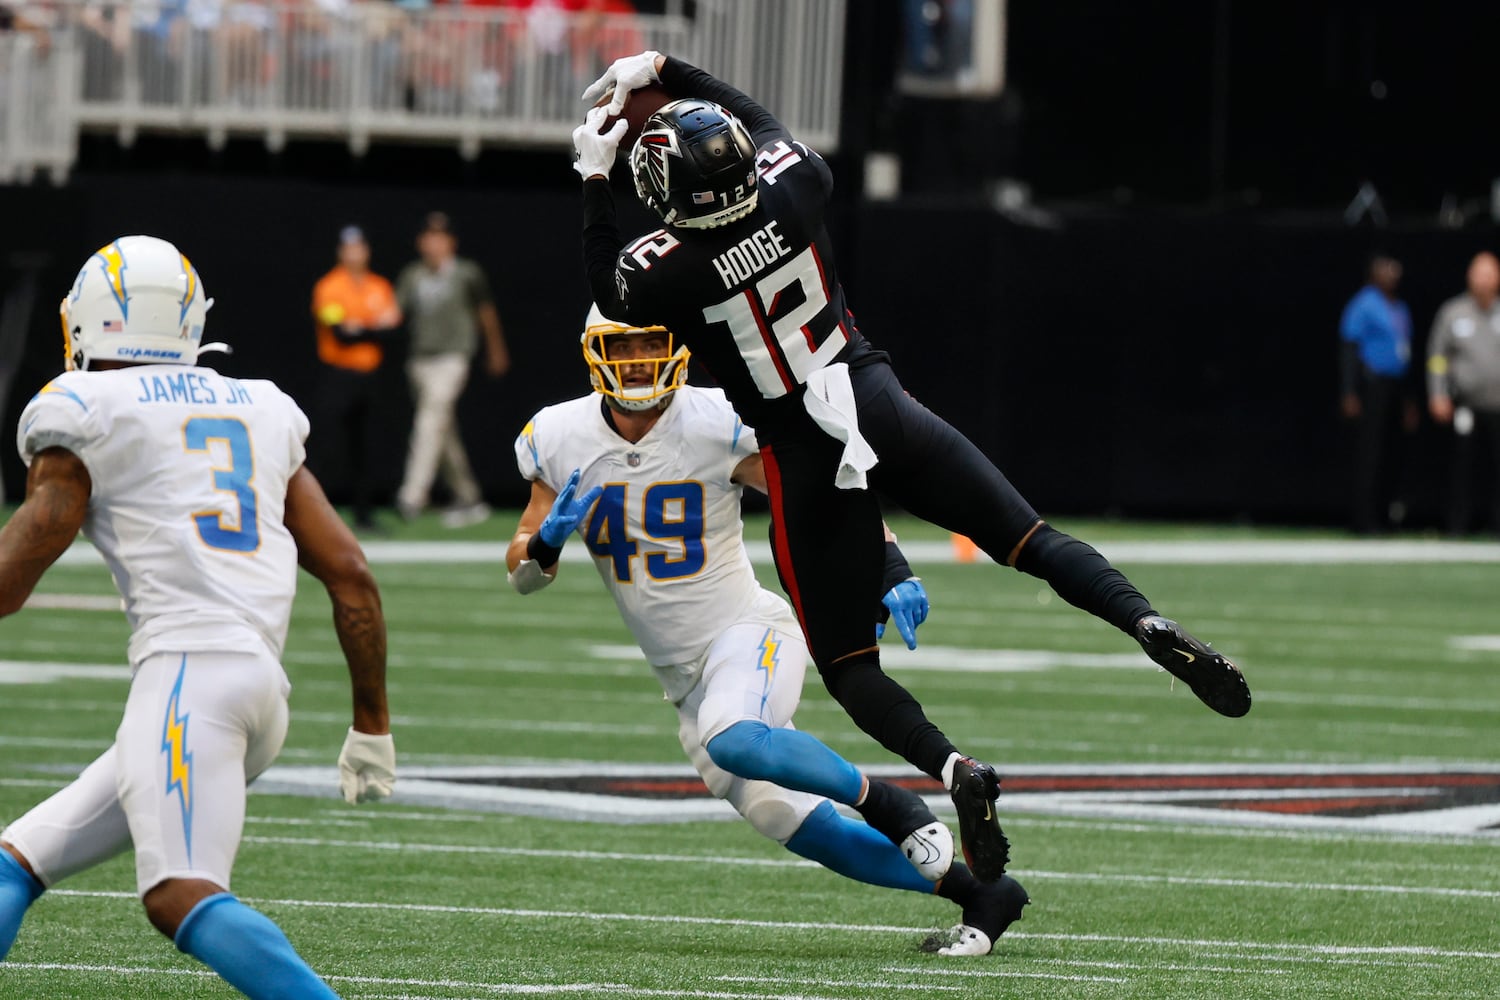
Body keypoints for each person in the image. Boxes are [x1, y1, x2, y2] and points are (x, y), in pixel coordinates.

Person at [571, 52, 1251, 884]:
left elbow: (609, 277)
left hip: (802, 451)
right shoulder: (798, 186)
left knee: (852, 671)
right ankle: (1144, 623)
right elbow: (757, 117)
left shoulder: (667, 269)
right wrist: (672, 69)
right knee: (1029, 537)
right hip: (876, 399)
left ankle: (957, 768)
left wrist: (596, 178)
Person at [505, 307, 1029, 956]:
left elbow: (820, 495)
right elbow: (522, 571)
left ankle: (892, 805)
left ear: (678, 348)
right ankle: (981, 892)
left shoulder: (716, 420)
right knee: (794, 822)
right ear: (594, 352)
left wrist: (886, 560)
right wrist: (545, 545)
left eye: (652, 344)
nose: (638, 360)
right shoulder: (558, 434)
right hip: (683, 680)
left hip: (748, 632)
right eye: (624, 346)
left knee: (733, 738)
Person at [0, 236, 397, 1000]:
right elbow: (351, 574)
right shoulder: (260, 405)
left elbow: (18, 571)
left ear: (85, 322)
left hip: (188, 682)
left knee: (179, 894)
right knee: (18, 859)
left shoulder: (84, 406)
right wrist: (371, 724)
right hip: (256, 692)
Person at [393, 211, 511, 528]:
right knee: (441, 431)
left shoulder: (466, 273)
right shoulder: (412, 276)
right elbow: (394, 313)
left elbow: (485, 312)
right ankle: (469, 497)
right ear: (421, 242)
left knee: (430, 420)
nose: (435, 243)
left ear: (451, 242)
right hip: (419, 360)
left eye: (441, 237)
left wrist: (496, 349)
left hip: (453, 357)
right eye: (429, 236)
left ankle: (412, 495)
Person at [311, 224, 402, 532]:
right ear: (340, 252)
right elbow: (340, 334)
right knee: (328, 445)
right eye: (349, 248)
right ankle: (314, 514)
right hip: (340, 375)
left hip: (371, 376)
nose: (355, 253)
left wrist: (360, 327)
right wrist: (372, 327)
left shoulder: (379, 286)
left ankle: (364, 515)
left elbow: (393, 331)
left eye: (359, 247)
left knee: (366, 447)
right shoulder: (329, 286)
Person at [1339, 253, 1418, 535]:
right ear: (1374, 272)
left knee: (1390, 453)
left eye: (1396, 269)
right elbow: (1350, 348)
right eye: (1387, 268)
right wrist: (1349, 391)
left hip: (1395, 387)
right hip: (1371, 385)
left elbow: (1405, 354)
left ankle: (1385, 516)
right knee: (1368, 453)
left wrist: (1409, 400)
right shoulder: (1364, 304)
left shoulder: (1400, 308)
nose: (1394, 273)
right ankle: (1363, 519)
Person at [1427, 251, 1500, 536]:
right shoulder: (1453, 312)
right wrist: (1437, 393)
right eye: (1478, 273)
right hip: (1465, 405)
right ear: (1469, 276)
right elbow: (1437, 357)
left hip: (1498, 406)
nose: (1483, 279)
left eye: (1489, 273)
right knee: (1461, 469)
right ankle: (1457, 526)